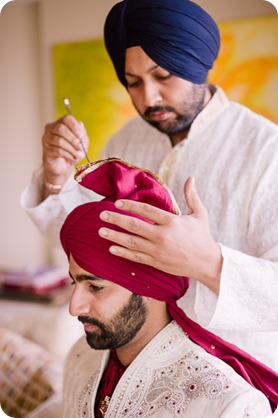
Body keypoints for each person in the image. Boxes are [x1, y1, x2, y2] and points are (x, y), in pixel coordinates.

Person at [21, 0, 278, 373]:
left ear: (198, 66)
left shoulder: (266, 151)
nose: (148, 99)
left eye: (163, 76)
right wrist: (57, 175)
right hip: (138, 368)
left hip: (234, 379)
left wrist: (208, 262)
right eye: (133, 83)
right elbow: (89, 243)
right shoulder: (126, 142)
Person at [60, 158, 277, 417]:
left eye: (95, 287)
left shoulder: (228, 405)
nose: (74, 308)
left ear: (149, 288)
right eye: (75, 282)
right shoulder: (79, 357)